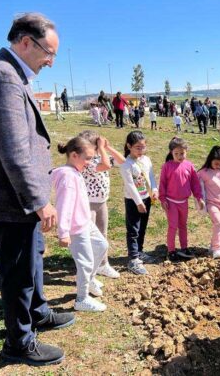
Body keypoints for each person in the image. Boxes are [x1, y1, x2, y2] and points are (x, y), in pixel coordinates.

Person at [0, 13, 73, 365]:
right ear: (26, 42)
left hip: (16, 192)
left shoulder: (11, 72)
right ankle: (19, 342)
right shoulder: (3, 77)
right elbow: (13, 149)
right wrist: (40, 200)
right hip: (9, 195)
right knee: (18, 268)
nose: (51, 61)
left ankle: (37, 312)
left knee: (33, 255)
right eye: (48, 53)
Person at [52, 137, 109, 313]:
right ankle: (82, 299)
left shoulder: (75, 171)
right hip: (75, 227)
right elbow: (64, 205)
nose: (90, 163)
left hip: (85, 222)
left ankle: (89, 279)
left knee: (101, 245)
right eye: (88, 158)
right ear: (74, 155)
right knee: (85, 262)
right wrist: (63, 232)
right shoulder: (68, 177)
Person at [78, 130, 124, 279]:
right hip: (89, 204)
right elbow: (106, 165)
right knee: (90, 238)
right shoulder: (86, 161)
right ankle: (90, 268)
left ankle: (103, 264)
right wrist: (102, 149)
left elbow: (122, 161)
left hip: (101, 202)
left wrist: (108, 148)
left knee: (102, 235)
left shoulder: (100, 155)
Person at [159, 137, 204, 261]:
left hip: (184, 202)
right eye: (176, 154)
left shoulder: (189, 166)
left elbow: (195, 183)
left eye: (182, 153)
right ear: (171, 153)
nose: (179, 156)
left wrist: (199, 197)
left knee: (183, 225)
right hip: (171, 202)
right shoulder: (167, 166)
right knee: (173, 226)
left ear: (186, 152)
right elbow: (162, 183)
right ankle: (171, 250)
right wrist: (162, 199)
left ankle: (184, 248)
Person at [120, 131, 158, 275]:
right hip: (133, 201)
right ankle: (133, 259)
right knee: (133, 230)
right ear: (129, 146)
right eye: (137, 147)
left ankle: (140, 251)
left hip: (146, 198)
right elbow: (129, 185)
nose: (141, 150)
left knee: (142, 227)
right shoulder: (126, 163)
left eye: (143, 147)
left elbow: (151, 176)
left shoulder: (146, 160)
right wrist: (138, 202)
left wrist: (154, 189)